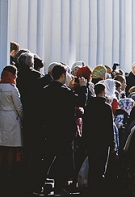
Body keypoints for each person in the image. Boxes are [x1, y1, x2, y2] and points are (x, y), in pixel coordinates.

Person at [36, 63, 88, 195]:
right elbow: (80, 102)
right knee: (62, 160)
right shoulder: (65, 92)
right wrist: (82, 88)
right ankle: (59, 187)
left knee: (46, 159)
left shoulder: (45, 89)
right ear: (63, 75)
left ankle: (38, 186)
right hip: (64, 130)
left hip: (49, 129)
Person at [82, 82, 116, 197]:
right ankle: (99, 190)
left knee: (92, 166)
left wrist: (85, 143)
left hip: (91, 141)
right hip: (103, 141)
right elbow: (109, 127)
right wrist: (112, 144)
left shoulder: (89, 106)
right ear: (104, 91)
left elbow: (85, 126)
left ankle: (91, 189)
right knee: (101, 167)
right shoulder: (106, 107)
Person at [0, 65, 23, 177]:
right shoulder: (12, 89)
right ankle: (9, 172)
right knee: (12, 146)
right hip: (12, 117)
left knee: (2, 146)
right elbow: (18, 106)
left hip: (1, 115)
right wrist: (22, 118)